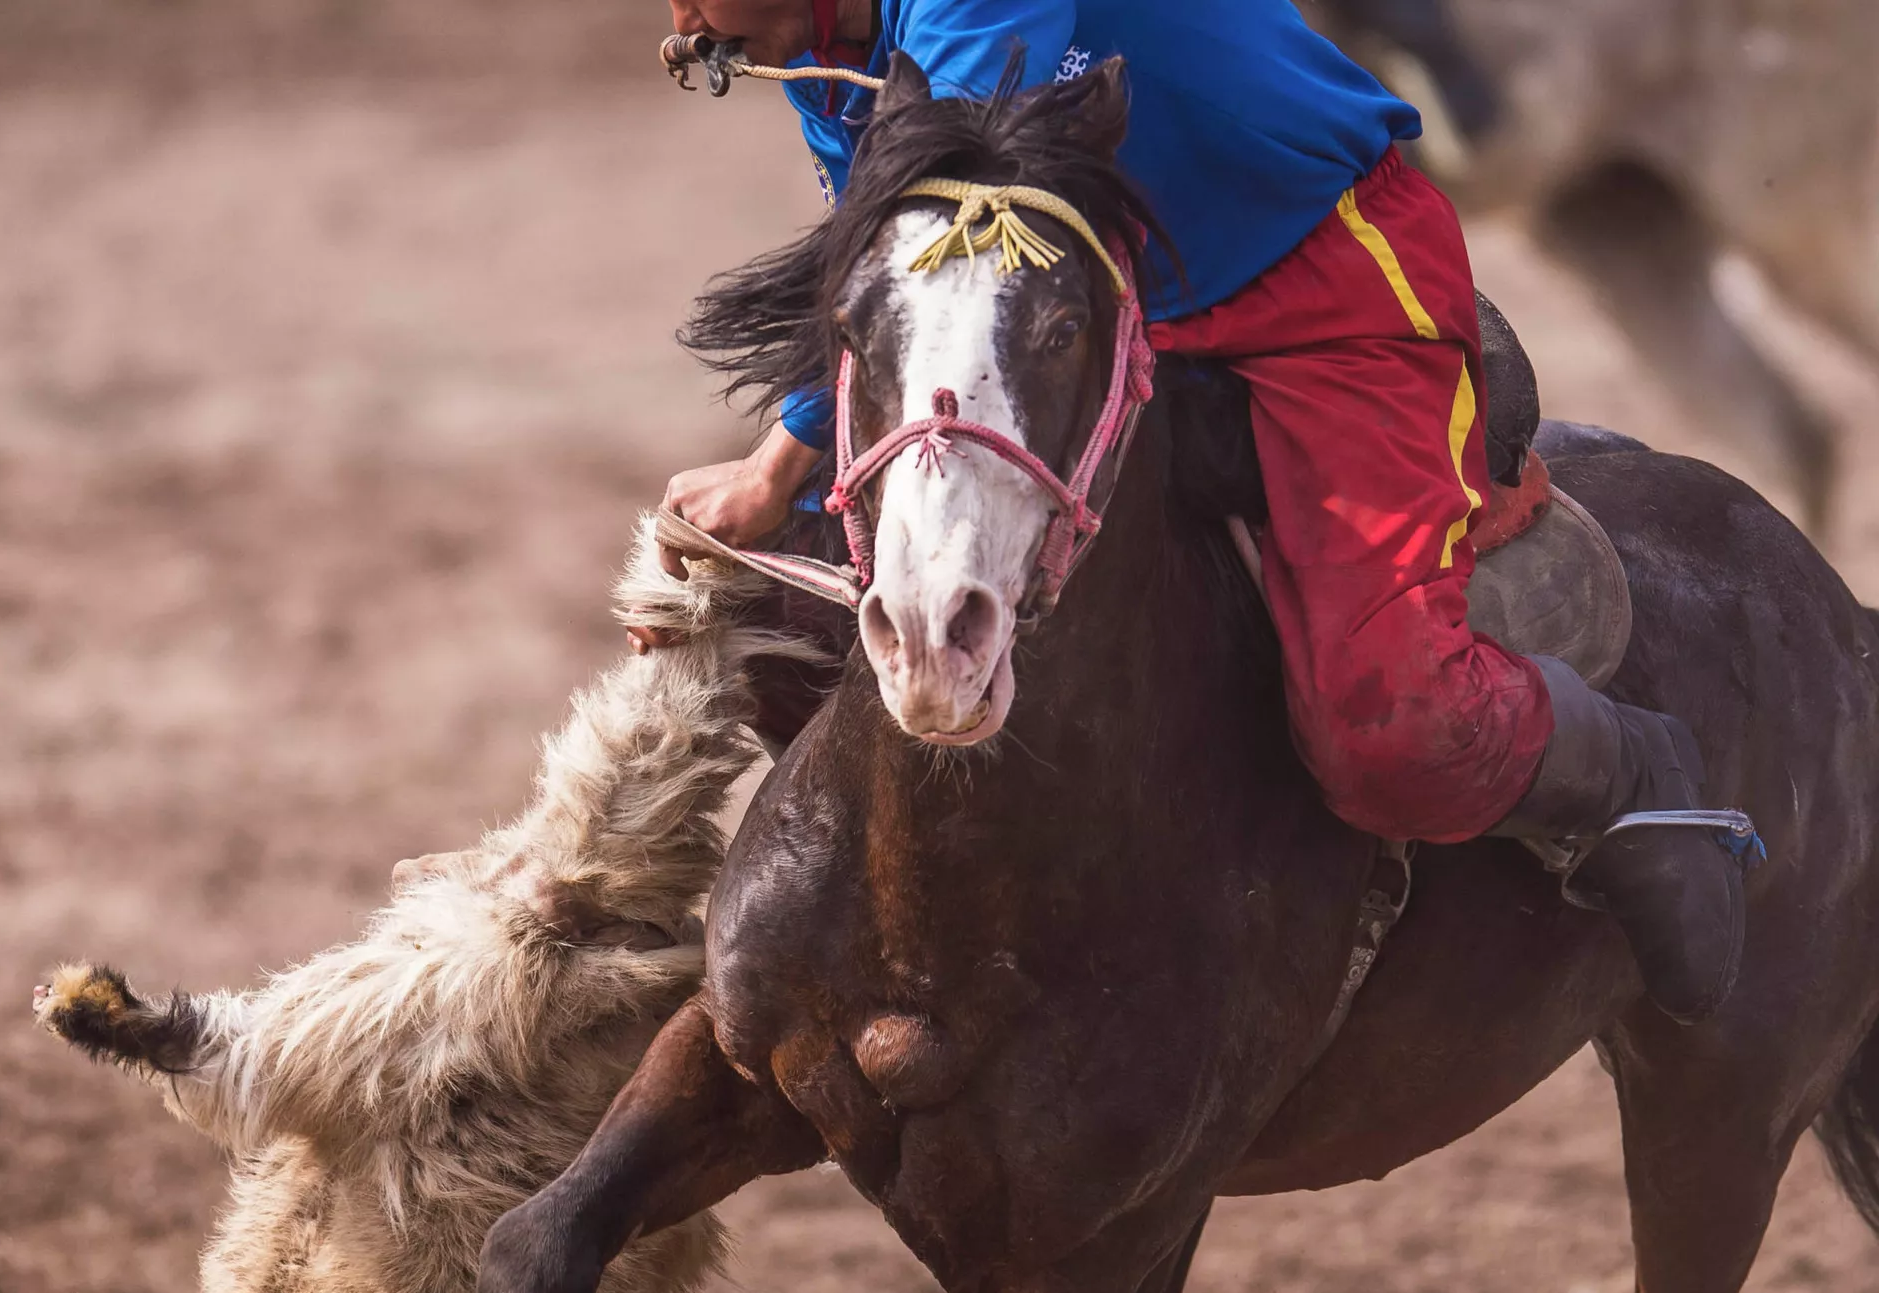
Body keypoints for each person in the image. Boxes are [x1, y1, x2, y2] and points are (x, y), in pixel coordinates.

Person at [657, 0, 1752, 1022]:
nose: (681, 21)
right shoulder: (824, 47)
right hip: (1112, 319)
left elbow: (965, 218)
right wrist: (771, 477)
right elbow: (913, 287)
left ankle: (1633, 776)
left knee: (1394, 732)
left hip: (1325, 280)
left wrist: (775, 467)